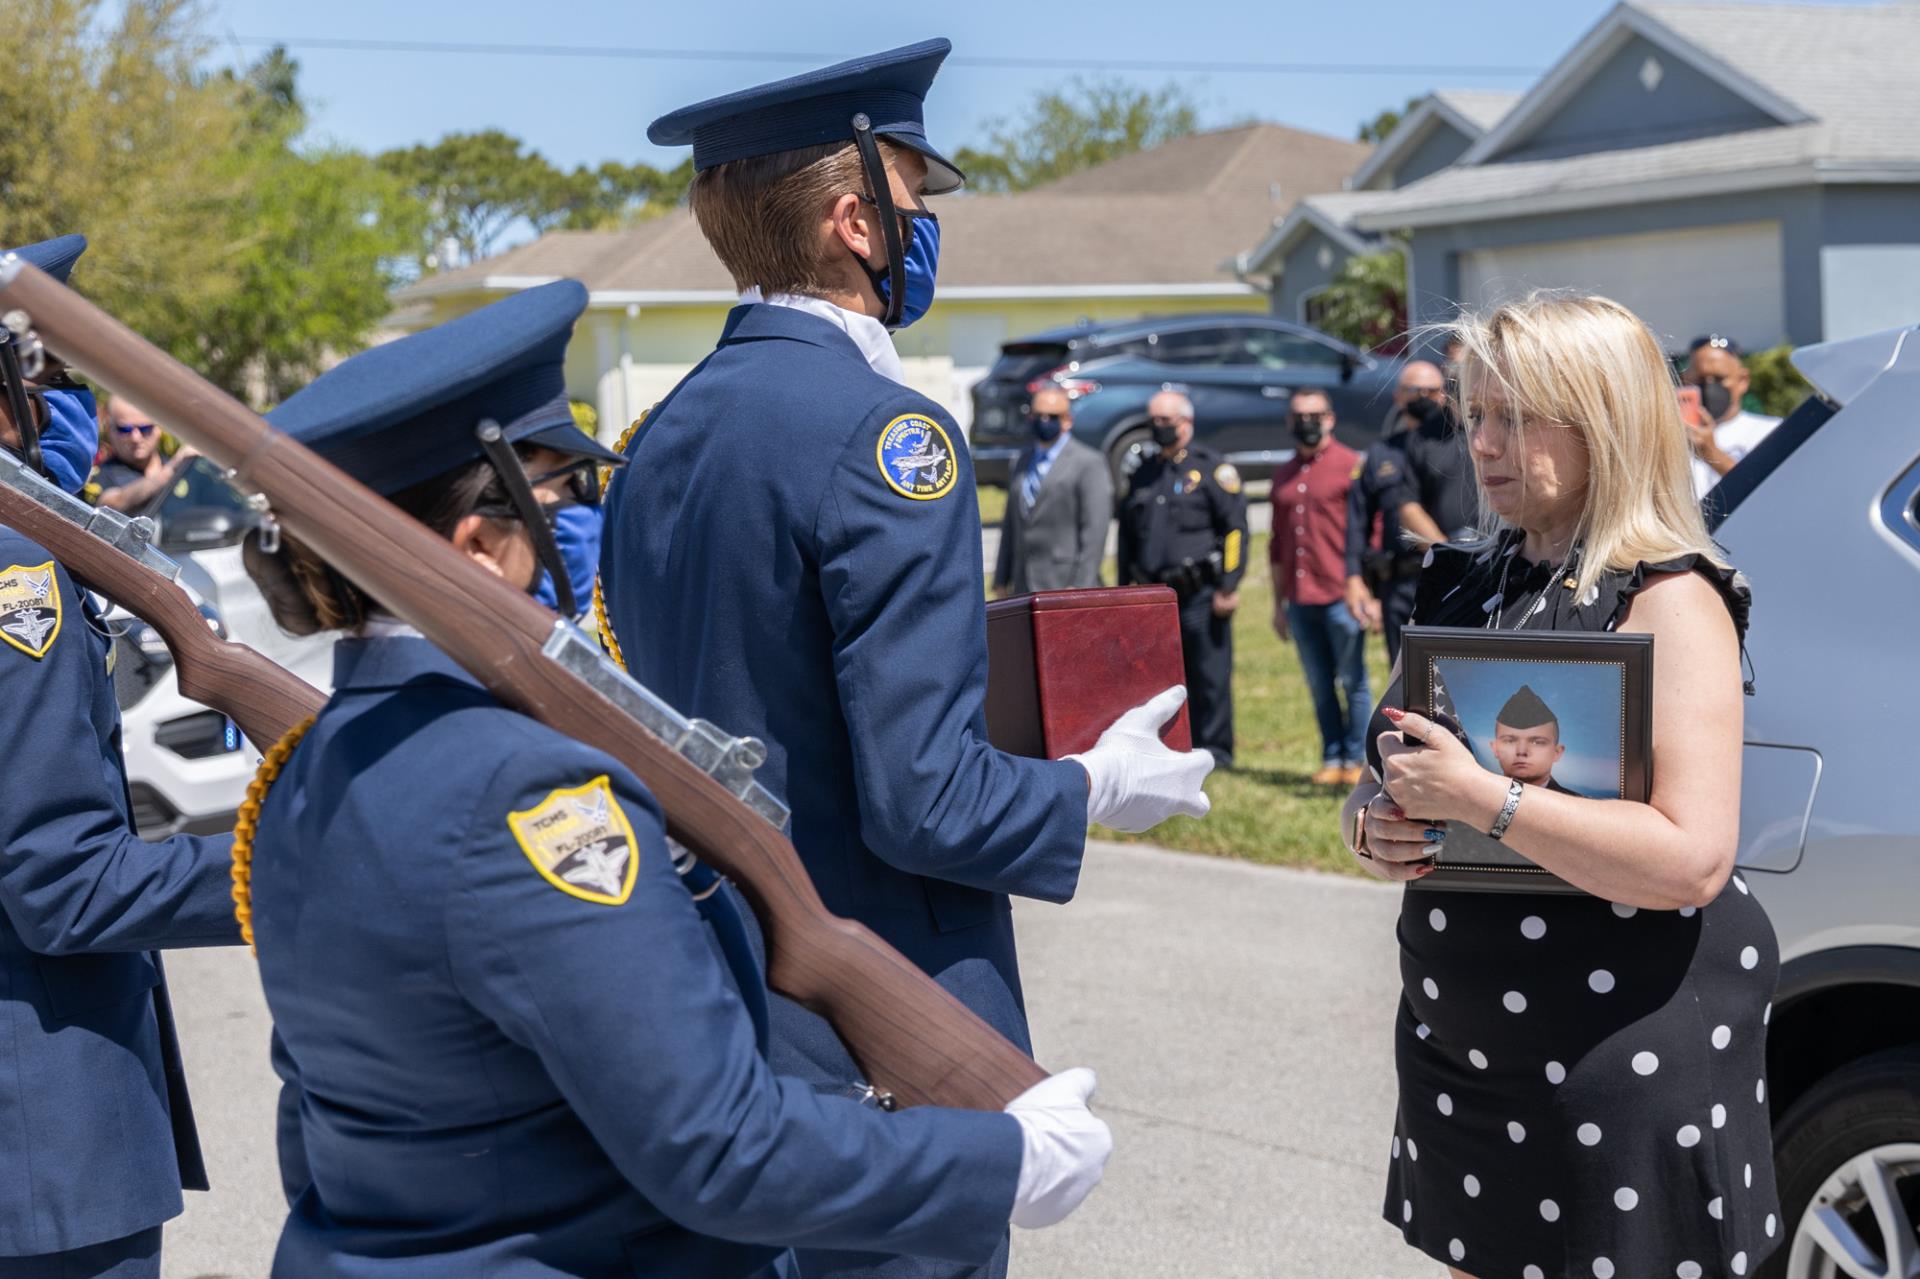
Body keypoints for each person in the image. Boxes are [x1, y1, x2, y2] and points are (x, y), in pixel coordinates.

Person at [242, 279, 1113, 1277]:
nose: (567, 528)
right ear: (479, 544)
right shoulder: (528, 793)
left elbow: (314, 1123)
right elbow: (721, 1147)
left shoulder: (305, 768)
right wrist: (1004, 1159)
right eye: (553, 497)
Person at [599, 44, 1204, 1277]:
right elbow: (925, 797)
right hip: (883, 1018)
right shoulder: (886, 435)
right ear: (851, 217)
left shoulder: (661, 435)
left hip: (717, 1010)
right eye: (919, 204)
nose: (927, 231)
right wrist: (1096, 784)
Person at [1341, 293, 1779, 1279]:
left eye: (1515, 417)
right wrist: (1372, 825)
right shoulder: (1472, 582)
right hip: (1465, 1062)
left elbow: (1694, 857)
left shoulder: (1670, 597)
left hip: (1615, 1055)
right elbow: (1395, 770)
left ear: (1603, 421)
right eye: (1476, 414)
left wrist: (1486, 800)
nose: (1483, 443)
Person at [0, 234, 243, 1277]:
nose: (77, 411)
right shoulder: (22, 576)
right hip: (42, 1146)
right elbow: (57, 879)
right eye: (57, 376)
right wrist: (291, 852)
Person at [1117, 388, 1249, 769]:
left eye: (1165, 421)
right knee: (1160, 680)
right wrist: (1125, 587)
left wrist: (1229, 585)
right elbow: (1128, 536)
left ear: (1186, 423)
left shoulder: (1211, 469)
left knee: (1209, 675)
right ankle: (1171, 747)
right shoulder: (1144, 472)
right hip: (1154, 596)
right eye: (1152, 421)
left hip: (1200, 593)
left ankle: (1216, 751)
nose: (1157, 428)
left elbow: (1236, 530)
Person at [1269, 389, 1369, 786]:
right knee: (1319, 682)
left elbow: (1367, 534)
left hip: (1340, 594)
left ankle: (1359, 758)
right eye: (1298, 415)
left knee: (1353, 680)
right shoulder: (1284, 474)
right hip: (1299, 597)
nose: (1306, 422)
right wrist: (1278, 604)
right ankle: (1333, 755)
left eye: (1314, 414)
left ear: (1330, 418)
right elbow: (1276, 545)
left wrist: (1366, 591)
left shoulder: (1351, 466)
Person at [1345, 360, 1449, 663]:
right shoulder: (1381, 454)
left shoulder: (1460, 447)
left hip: (1449, 575)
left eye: (1433, 390)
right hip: (1401, 582)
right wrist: (1354, 579)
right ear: (1398, 397)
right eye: (1415, 390)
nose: (1425, 397)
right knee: (1404, 677)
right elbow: (1357, 521)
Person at [992, 385, 1111, 596]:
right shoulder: (1022, 460)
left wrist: (1081, 585)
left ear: (1067, 420)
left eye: (1052, 416)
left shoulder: (1089, 462)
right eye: (1038, 415)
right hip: (1023, 585)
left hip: (1064, 584)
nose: (1044, 421)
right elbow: (1011, 524)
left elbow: (1095, 531)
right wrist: (1001, 578)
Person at [1681, 334, 1779, 500]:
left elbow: (1772, 492)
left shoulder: (1771, 431)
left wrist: (1711, 453)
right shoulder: (1670, 434)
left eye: (1719, 379)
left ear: (1742, 380)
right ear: (1685, 381)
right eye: (1699, 380)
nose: (1709, 386)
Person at [93, 394, 201, 513]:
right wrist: (171, 471)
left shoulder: (187, 470)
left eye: (145, 428)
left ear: (159, 428)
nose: (135, 438)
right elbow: (112, 504)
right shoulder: (102, 475)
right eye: (125, 430)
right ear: (110, 429)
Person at [1487, 685, 1574, 794]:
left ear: (1557, 752)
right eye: (1510, 741)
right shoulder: (1473, 801)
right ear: (1495, 748)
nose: (1522, 751)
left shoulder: (1582, 807)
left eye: (1537, 742)